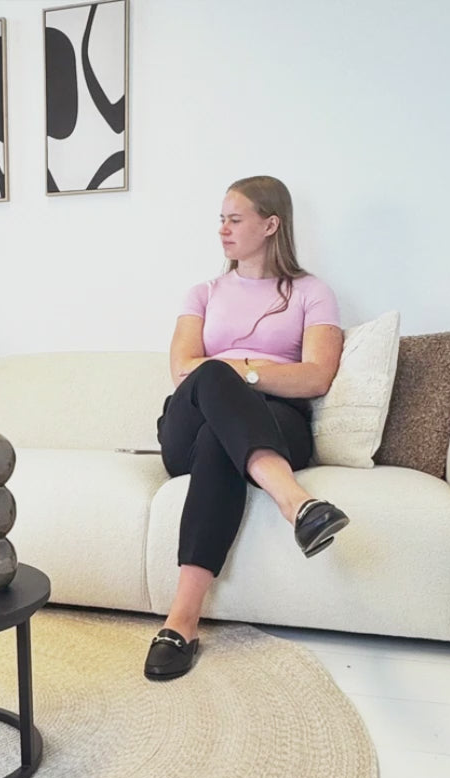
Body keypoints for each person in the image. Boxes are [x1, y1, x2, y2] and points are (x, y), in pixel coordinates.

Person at [145, 175, 349, 681]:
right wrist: (242, 370)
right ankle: (297, 504)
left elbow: (317, 376)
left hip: (277, 421)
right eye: (221, 219)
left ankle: (181, 623)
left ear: (271, 224)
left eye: (235, 220)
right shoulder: (204, 293)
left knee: (221, 436)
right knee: (213, 376)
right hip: (188, 423)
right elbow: (184, 370)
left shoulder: (312, 293)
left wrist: (246, 374)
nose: (223, 230)